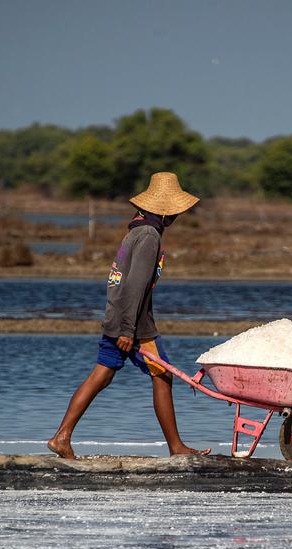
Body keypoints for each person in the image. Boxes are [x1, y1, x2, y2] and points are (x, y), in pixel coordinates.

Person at [47, 172, 211, 459]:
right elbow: (134, 285)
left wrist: (119, 323)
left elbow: (118, 284)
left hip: (118, 317)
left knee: (101, 375)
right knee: (162, 376)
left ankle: (62, 437)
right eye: (174, 212)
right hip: (135, 326)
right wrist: (127, 330)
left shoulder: (135, 231)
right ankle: (177, 448)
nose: (176, 217)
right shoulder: (148, 236)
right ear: (164, 212)